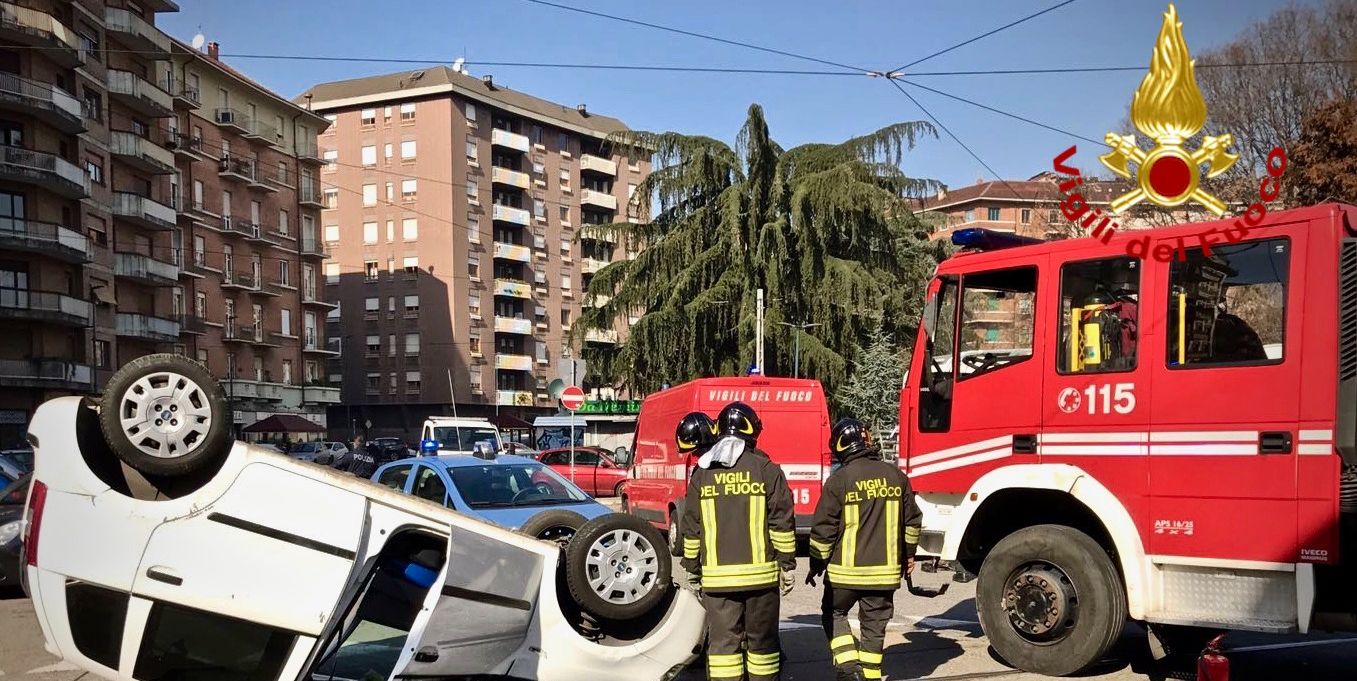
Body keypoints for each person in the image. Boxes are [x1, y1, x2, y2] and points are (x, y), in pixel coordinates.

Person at [680, 402, 796, 681]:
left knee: (722, 648)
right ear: (752, 429)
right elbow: (782, 522)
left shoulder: (702, 474)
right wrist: (787, 565)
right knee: (762, 647)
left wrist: (692, 569)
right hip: (761, 581)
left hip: (718, 583)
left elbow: (691, 527)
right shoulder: (767, 469)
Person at [807, 418, 923, 681]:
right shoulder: (896, 476)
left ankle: (849, 669)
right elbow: (912, 521)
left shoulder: (840, 481)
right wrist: (909, 554)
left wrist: (816, 565)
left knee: (833, 613)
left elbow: (823, 531)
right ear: (866, 440)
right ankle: (870, 676)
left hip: (844, 576)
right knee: (874, 628)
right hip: (884, 576)